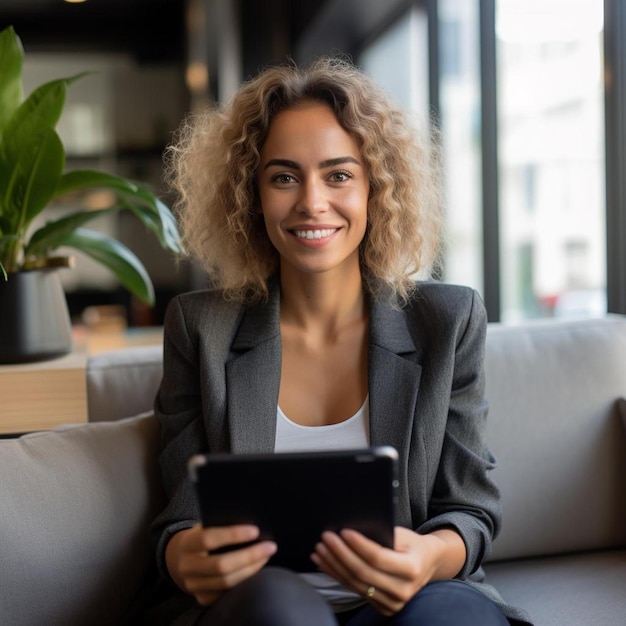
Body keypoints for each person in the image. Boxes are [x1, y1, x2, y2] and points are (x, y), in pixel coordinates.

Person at [145, 56, 532, 626]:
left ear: (378, 186)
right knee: (281, 612)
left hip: (410, 602)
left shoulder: (447, 321)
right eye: (283, 177)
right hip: (264, 605)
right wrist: (185, 558)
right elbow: (180, 521)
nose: (311, 202)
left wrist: (428, 556)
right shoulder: (198, 328)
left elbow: (469, 509)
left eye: (339, 175)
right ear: (250, 195)